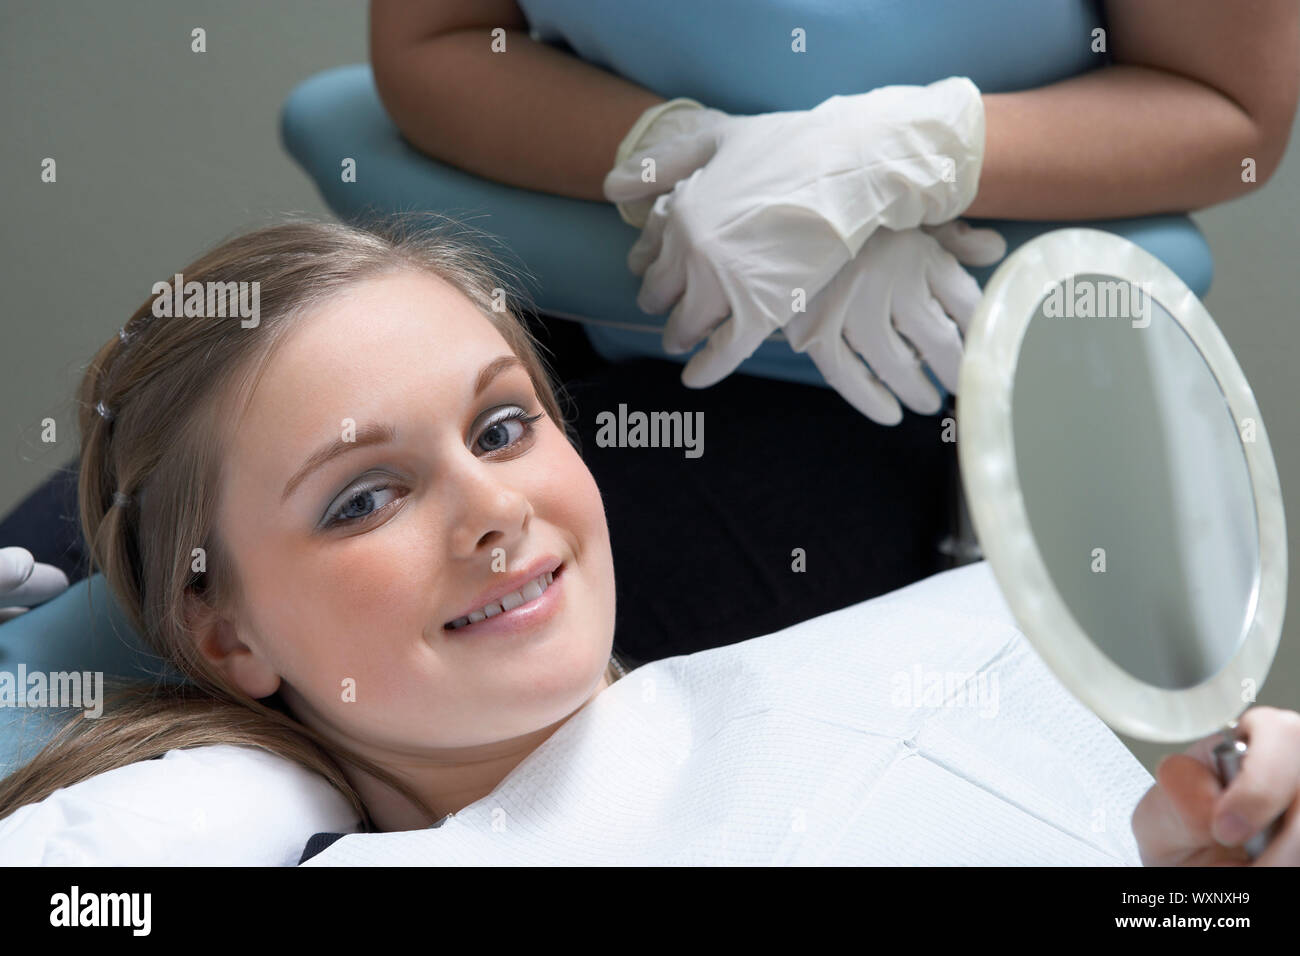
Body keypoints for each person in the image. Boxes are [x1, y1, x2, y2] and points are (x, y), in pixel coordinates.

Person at [0, 216, 1296, 866]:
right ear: (225, 632)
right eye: (364, 497)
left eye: (502, 428)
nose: (495, 510)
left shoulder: (917, 658)